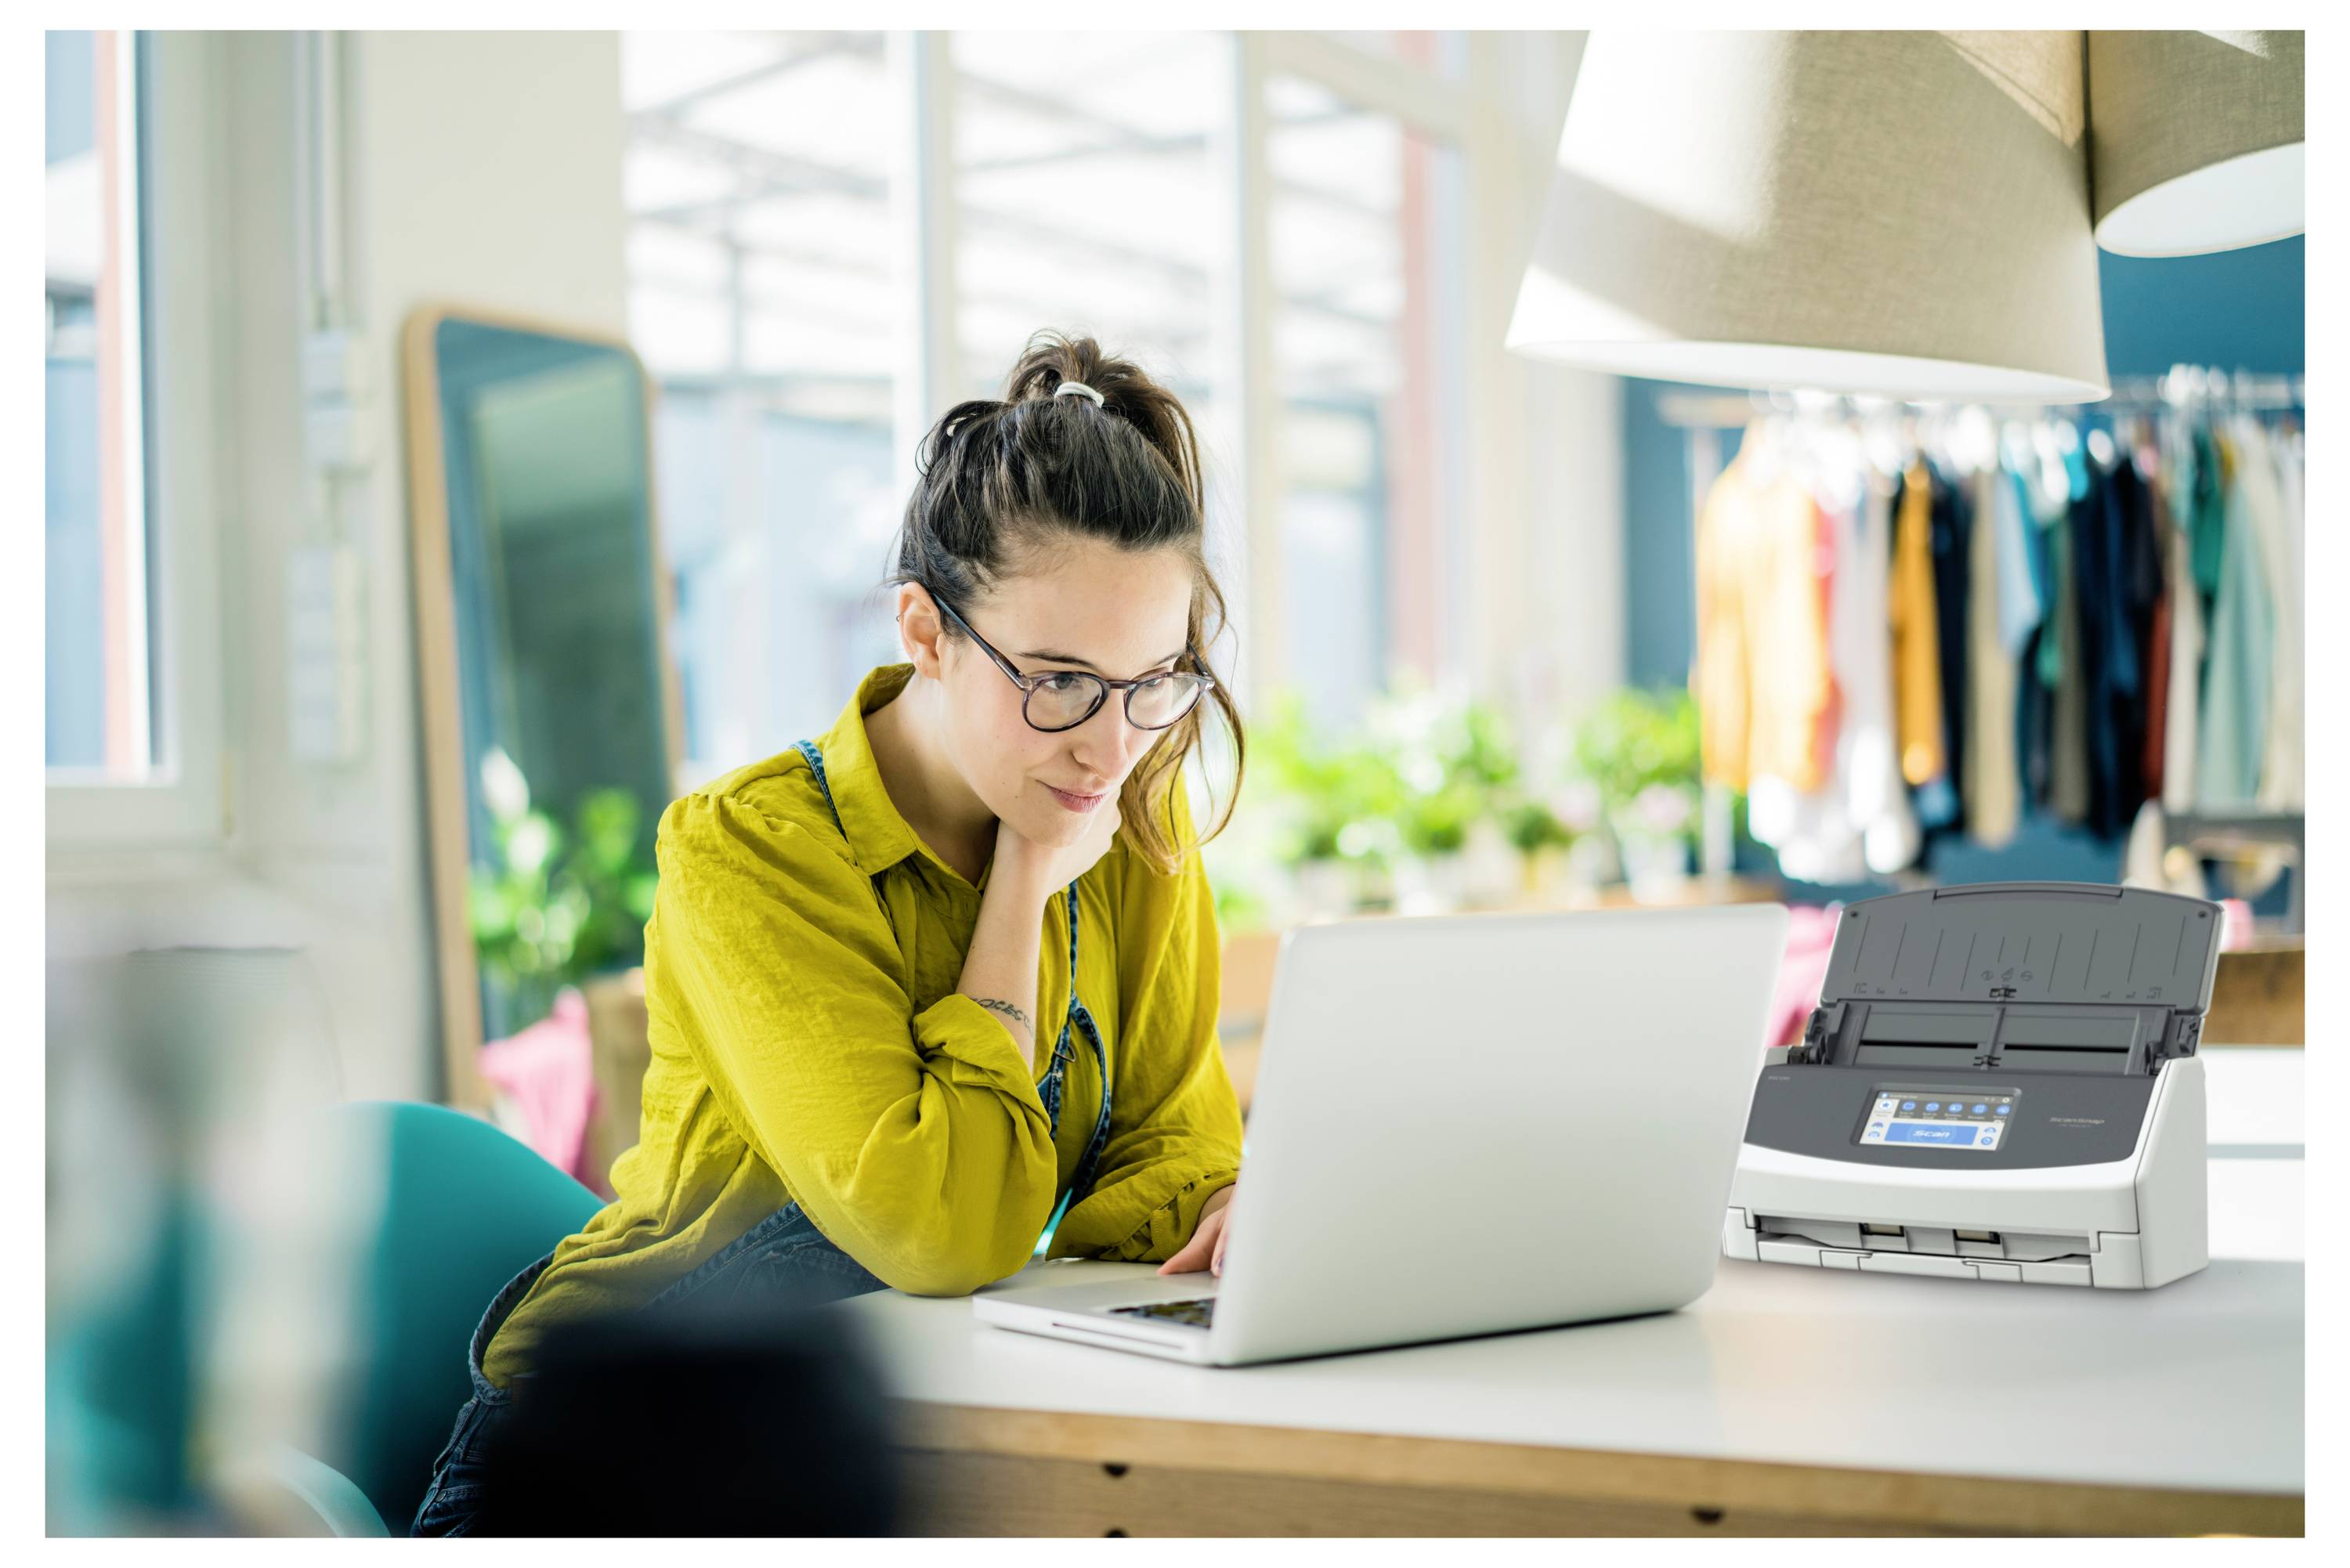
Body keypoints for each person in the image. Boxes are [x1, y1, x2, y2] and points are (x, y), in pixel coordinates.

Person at [412, 331, 1248, 1535]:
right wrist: (1023, 882)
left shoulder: (1129, 823)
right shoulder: (749, 852)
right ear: (924, 630)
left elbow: (1170, 1161)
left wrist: (1216, 1207)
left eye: (1152, 682)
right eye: (1058, 680)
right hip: (610, 1453)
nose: (1111, 746)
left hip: (905, 1422)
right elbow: (945, 1227)